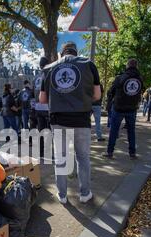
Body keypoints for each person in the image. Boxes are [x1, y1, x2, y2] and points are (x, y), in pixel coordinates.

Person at [40, 41, 101, 204]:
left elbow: (42, 99)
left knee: (61, 159)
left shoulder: (48, 69)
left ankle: (62, 195)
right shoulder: (88, 64)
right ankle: (84, 193)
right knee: (83, 158)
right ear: (76, 52)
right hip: (81, 119)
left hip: (58, 120)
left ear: (61, 53)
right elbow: (97, 95)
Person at [104, 58, 144, 160]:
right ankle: (132, 153)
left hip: (119, 108)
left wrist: (109, 103)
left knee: (114, 131)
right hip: (132, 109)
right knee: (131, 131)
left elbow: (111, 91)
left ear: (127, 66)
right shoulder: (140, 78)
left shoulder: (121, 77)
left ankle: (109, 152)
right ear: (136, 66)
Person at [34, 57, 51, 131]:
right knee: (50, 130)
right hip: (47, 107)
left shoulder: (35, 77)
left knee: (40, 129)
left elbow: (33, 92)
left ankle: (41, 142)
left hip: (38, 107)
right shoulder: (48, 74)